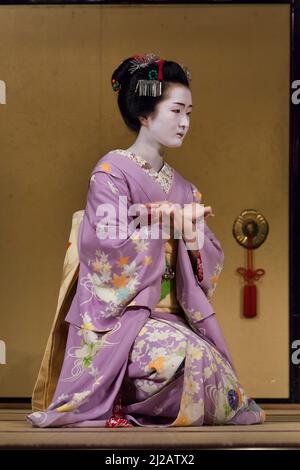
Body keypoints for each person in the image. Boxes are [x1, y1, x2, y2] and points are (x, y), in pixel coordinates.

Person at [27, 53, 265, 428]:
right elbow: (103, 244)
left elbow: (210, 262)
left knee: (216, 374)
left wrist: (190, 233)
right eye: (176, 110)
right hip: (124, 314)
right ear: (144, 114)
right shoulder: (111, 172)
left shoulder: (185, 187)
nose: (185, 122)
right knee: (189, 360)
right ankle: (120, 396)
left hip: (171, 315)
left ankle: (141, 399)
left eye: (190, 112)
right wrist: (164, 220)